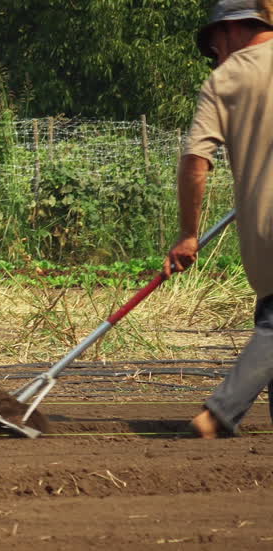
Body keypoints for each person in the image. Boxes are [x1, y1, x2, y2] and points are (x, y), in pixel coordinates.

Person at [166, 0, 273, 438]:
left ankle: (219, 413)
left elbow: (196, 161)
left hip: (263, 234)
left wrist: (188, 234)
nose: (215, 55)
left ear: (229, 31)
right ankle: (219, 414)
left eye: (213, 46)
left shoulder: (225, 80)